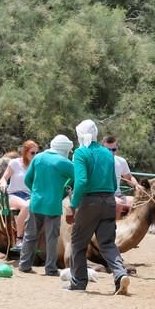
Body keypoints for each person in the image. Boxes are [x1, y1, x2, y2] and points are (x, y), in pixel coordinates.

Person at [65, 120, 130, 294]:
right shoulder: (108, 153)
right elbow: (112, 181)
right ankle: (120, 274)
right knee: (108, 243)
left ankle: (78, 283)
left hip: (89, 202)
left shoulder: (80, 153)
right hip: (109, 200)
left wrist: (72, 205)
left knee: (78, 243)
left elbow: (81, 181)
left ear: (80, 134)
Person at [19, 135, 74, 276]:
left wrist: (36, 192)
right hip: (53, 205)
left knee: (30, 235)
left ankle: (24, 265)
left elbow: (27, 179)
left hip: (36, 202)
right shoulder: (64, 162)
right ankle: (50, 268)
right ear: (65, 149)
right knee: (52, 237)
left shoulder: (38, 158)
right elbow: (78, 178)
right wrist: (64, 189)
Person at [0, 140, 39, 249]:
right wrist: (3, 184)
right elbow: (4, 178)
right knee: (26, 206)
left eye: (36, 153)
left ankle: (35, 238)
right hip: (13, 194)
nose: (35, 155)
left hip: (28, 195)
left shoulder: (36, 165)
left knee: (36, 205)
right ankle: (19, 238)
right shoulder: (15, 163)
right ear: (25, 152)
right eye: (32, 153)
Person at [102, 135, 138, 218]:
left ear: (117, 149)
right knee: (118, 204)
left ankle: (130, 229)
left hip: (118, 195)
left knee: (137, 203)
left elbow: (129, 178)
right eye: (108, 150)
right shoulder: (97, 162)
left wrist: (137, 186)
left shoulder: (121, 161)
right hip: (104, 196)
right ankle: (115, 228)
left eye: (113, 150)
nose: (111, 152)